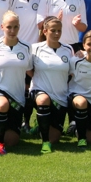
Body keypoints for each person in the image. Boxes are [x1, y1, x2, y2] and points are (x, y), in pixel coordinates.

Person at [0, 11, 33, 155]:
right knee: (2, 104)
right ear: (2, 27)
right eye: (9, 27)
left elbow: (30, 71)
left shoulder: (27, 47)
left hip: (17, 97)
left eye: (15, 27)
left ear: (19, 27)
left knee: (12, 141)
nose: (12, 31)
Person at [29, 17, 74, 153]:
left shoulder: (68, 49)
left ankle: (41, 124)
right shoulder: (35, 48)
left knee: (55, 137)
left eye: (59, 31)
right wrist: (40, 79)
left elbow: (71, 73)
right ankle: (45, 143)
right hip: (40, 92)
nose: (56, 34)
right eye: (53, 30)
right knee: (43, 100)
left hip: (60, 97)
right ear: (45, 31)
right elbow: (29, 69)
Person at [9, 0, 42, 132]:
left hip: (36, 51)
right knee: (22, 87)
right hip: (19, 50)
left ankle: (29, 121)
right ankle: (21, 121)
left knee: (34, 87)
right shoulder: (13, 0)